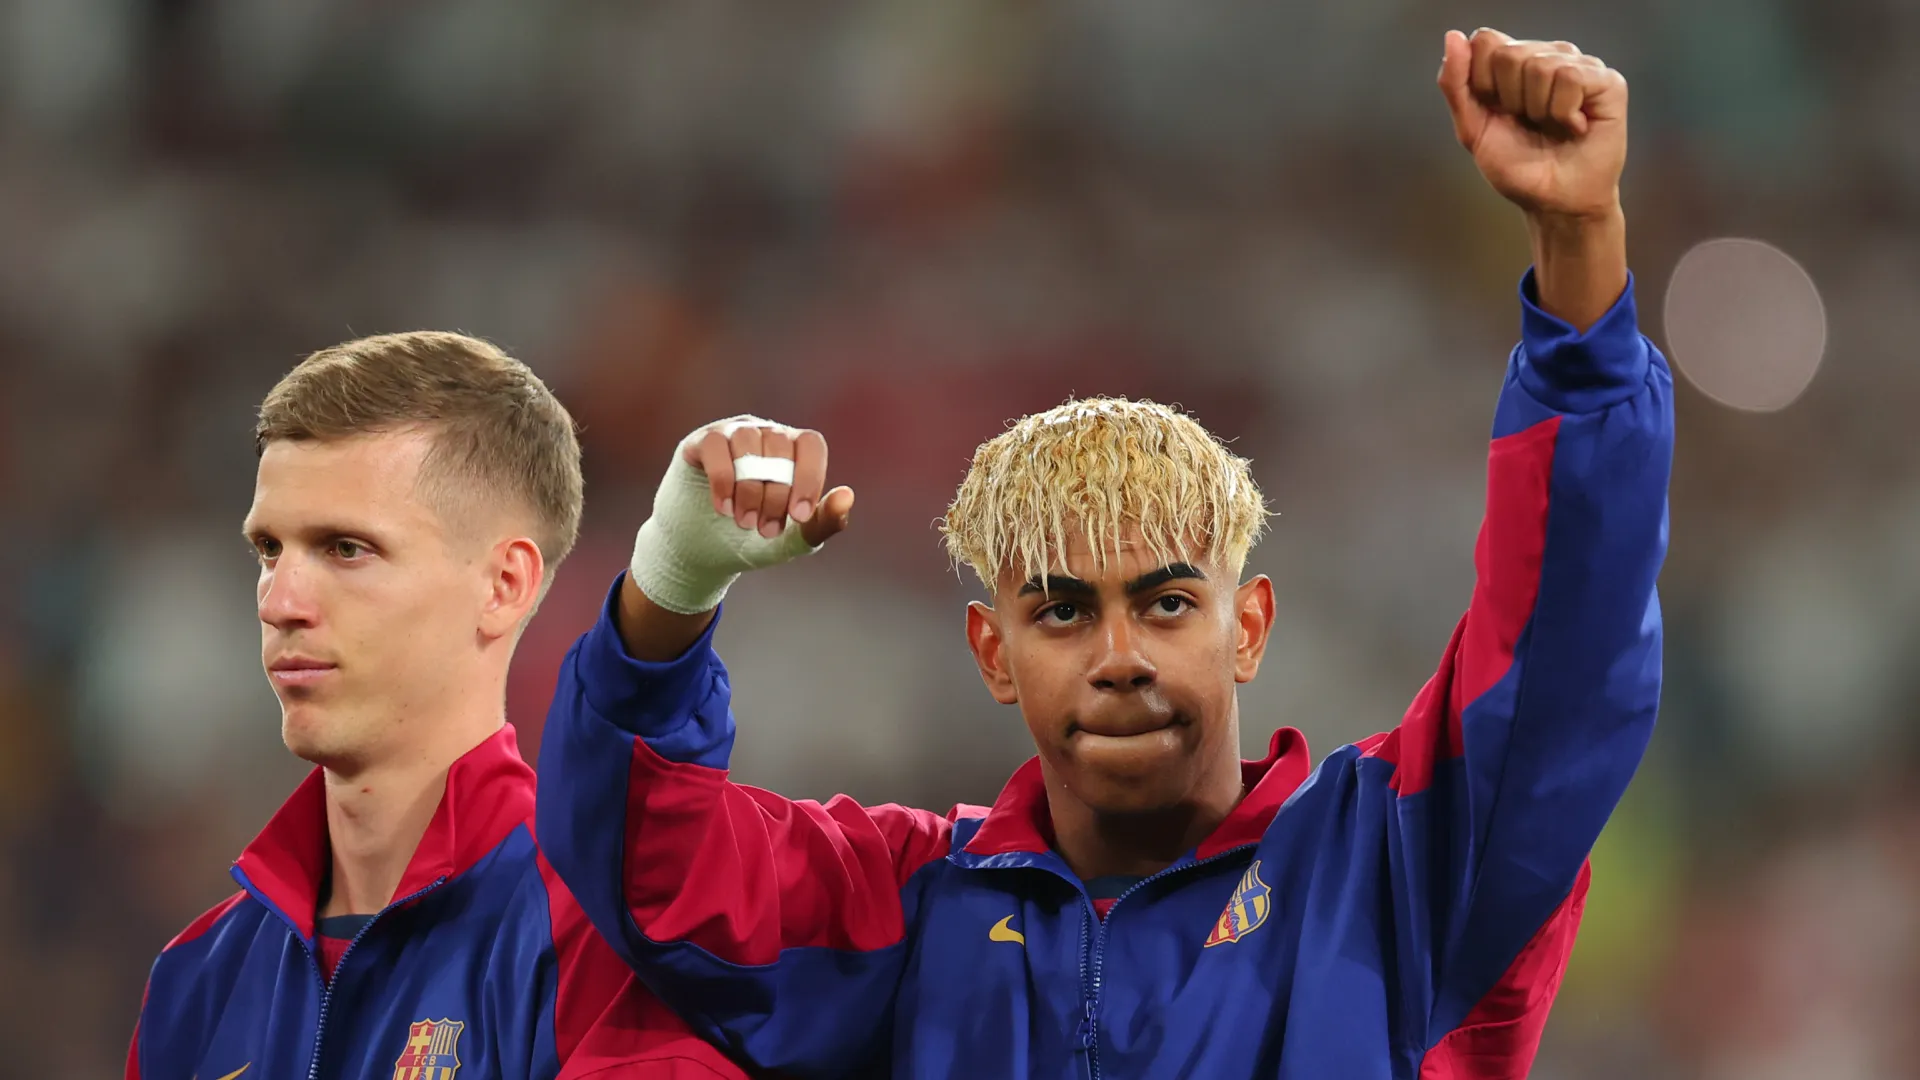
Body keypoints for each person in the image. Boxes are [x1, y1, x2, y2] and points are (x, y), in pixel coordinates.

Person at [538, 27, 1670, 1078]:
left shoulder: (1391, 868)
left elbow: (1566, 649)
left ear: (1252, 626)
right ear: (992, 651)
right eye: (1064, 612)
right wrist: (676, 580)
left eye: (1168, 603)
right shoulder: (907, 907)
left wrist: (1579, 247)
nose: (1120, 655)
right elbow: (651, 870)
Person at [127, 332, 747, 1079]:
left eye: (345, 548)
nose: (280, 601)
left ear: (503, 586)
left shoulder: (605, 942)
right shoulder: (197, 976)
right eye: (268, 549)